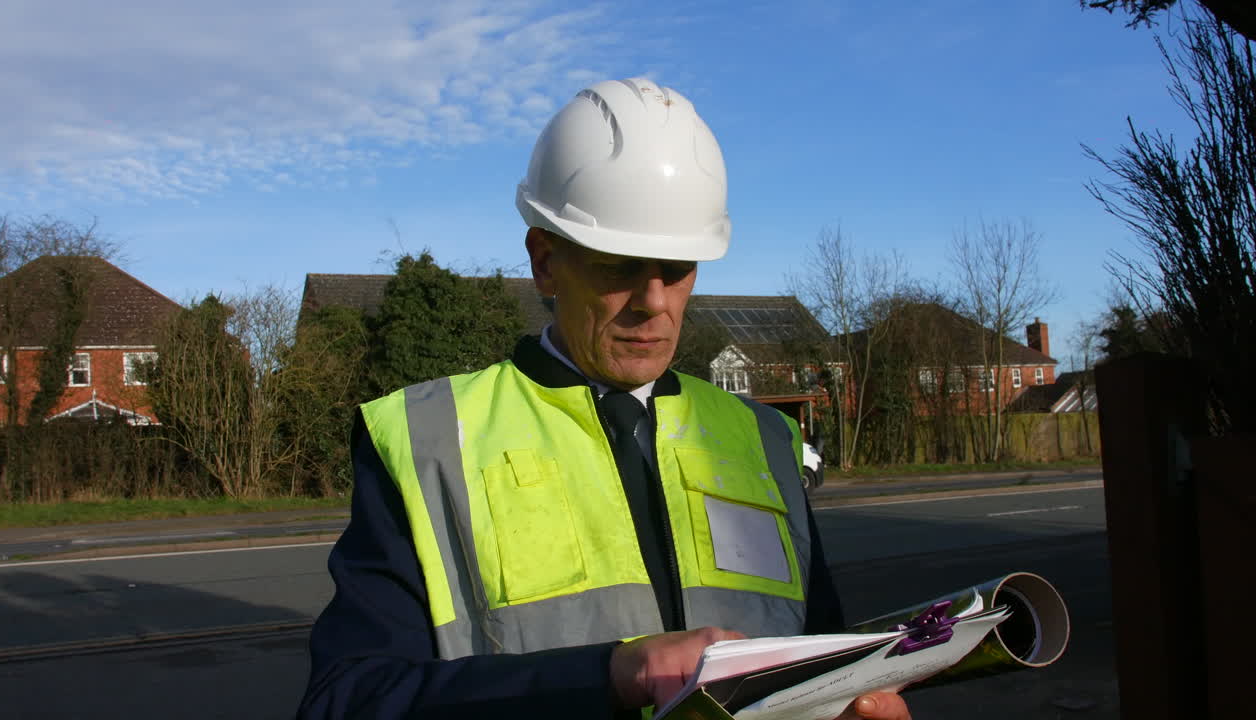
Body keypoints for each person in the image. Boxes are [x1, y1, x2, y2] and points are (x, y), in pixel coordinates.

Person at [297, 77, 911, 720]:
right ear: (545, 262)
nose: (654, 303)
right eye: (620, 266)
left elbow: (814, 655)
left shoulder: (764, 441)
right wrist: (607, 675)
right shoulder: (425, 440)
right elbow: (347, 700)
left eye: (676, 271)